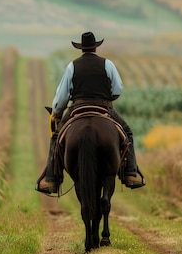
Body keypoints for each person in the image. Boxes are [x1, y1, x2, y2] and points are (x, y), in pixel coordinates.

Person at [35, 31, 145, 195]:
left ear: (81, 48)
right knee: (127, 132)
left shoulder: (72, 66)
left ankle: (51, 179)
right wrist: (107, 97)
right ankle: (130, 173)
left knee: (57, 136)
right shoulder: (107, 64)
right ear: (95, 47)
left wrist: (57, 112)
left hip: (77, 107)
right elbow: (117, 89)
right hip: (104, 106)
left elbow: (61, 97)